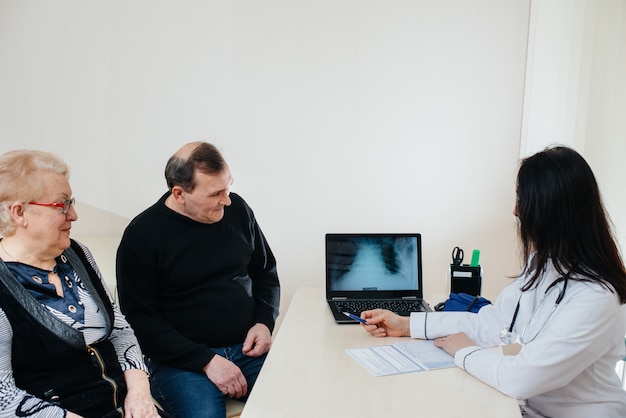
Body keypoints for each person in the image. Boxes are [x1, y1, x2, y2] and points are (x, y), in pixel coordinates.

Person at [360, 145, 626, 418]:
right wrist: (408, 324)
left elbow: (523, 377)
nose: (515, 211)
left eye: (522, 200)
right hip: (520, 405)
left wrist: (465, 351)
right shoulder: (544, 265)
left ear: (551, 210)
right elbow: (493, 323)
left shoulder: (597, 297)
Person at [116, 142, 280, 418]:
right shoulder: (142, 237)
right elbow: (139, 321)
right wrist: (206, 361)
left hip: (247, 349)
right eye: (216, 193)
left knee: (302, 400)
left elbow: (265, 272)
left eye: (228, 187)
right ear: (179, 193)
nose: (227, 200)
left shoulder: (238, 210)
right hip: (180, 362)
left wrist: (264, 322)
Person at [0, 150, 160, 418]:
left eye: (71, 202)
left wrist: (141, 395)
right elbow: (4, 399)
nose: (73, 215)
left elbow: (119, 330)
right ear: (19, 213)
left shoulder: (77, 253)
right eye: (61, 205)